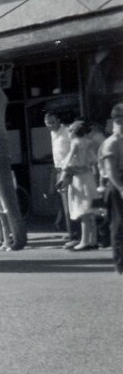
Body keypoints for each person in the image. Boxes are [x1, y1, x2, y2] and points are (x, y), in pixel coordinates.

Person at [59, 119, 100, 251]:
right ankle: (93, 240)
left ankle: (84, 241)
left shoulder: (75, 143)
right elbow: (93, 160)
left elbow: (68, 162)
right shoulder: (89, 142)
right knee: (90, 210)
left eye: (69, 132)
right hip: (89, 178)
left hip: (79, 179)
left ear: (74, 132)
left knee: (83, 211)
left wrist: (65, 172)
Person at [45, 111, 77, 247]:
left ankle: (75, 235)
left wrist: (67, 170)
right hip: (58, 170)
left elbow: (73, 151)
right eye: (47, 123)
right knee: (64, 204)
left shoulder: (67, 132)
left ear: (59, 120)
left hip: (68, 170)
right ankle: (71, 233)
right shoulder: (53, 134)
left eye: (52, 122)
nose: (50, 125)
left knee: (71, 203)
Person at [98, 103, 123, 274]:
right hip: (117, 184)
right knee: (119, 225)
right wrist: (121, 188)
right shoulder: (112, 143)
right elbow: (110, 170)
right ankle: (120, 264)